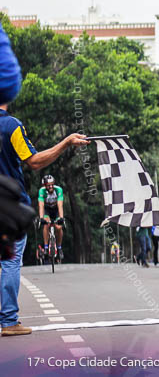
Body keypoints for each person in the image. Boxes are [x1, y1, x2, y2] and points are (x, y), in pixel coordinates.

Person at [0, 42, 88, 335]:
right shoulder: (11, 126)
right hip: (8, 206)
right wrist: (65, 142)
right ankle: (9, 321)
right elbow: (35, 162)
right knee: (10, 261)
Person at [37, 175, 64, 261]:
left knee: (58, 227)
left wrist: (61, 218)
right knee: (46, 224)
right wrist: (41, 218)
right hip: (47, 210)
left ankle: (59, 248)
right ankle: (45, 248)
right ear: (44, 185)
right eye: (48, 185)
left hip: (56, 210)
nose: (51, 186)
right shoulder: (41, 191)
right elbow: (41, 205)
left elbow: (60, 205)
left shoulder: (58, 190)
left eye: (52, 184)